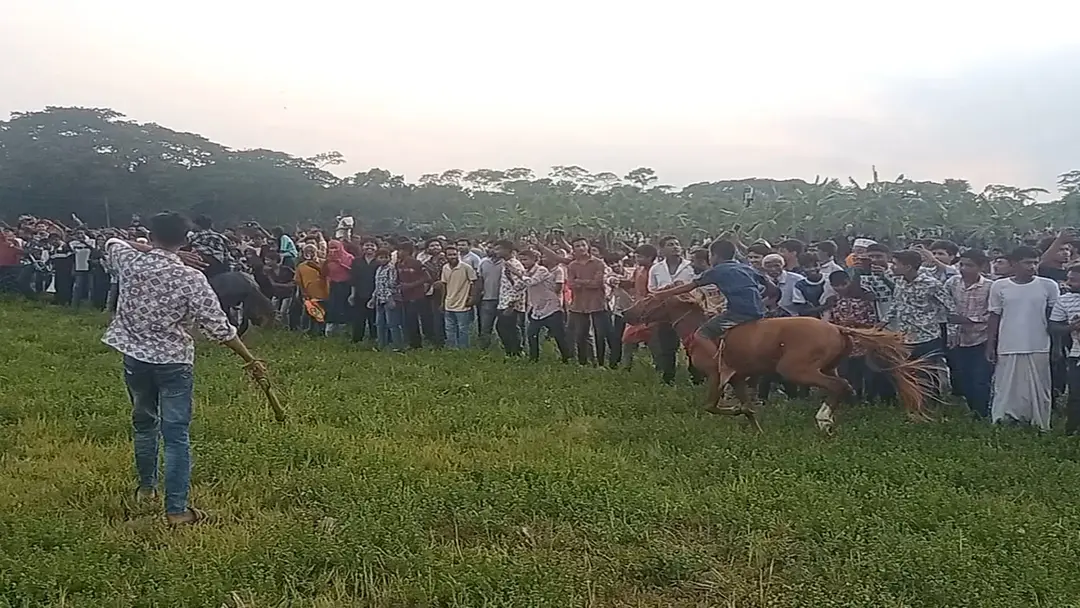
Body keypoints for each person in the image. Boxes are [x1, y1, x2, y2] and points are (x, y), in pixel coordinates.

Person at [102, 212, 264, 526]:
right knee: (175, 436)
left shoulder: (131, 262)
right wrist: (249, 358)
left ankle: (146, 489)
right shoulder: (191, 277)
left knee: (144, 422)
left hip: (135, 358)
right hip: (174, 362)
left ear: (150, 236)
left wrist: (149, 249)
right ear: (186, 241)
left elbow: (111, 242)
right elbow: (220, 328)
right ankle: (176, 510)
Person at [987, 246, 1060, 431]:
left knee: (1040, 387)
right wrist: (990, 345)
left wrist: (1057, 346)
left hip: (1039, 343)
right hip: (1008, 343)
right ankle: (1003, 419)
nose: (1032, 267)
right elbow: (994, 316)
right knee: (1006, 385)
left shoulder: (1048, 285)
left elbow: (1055, 318)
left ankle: (1040, 422)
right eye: (1028, 262)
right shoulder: (1000, 286)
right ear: (1014, 264)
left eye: (1035, 262)